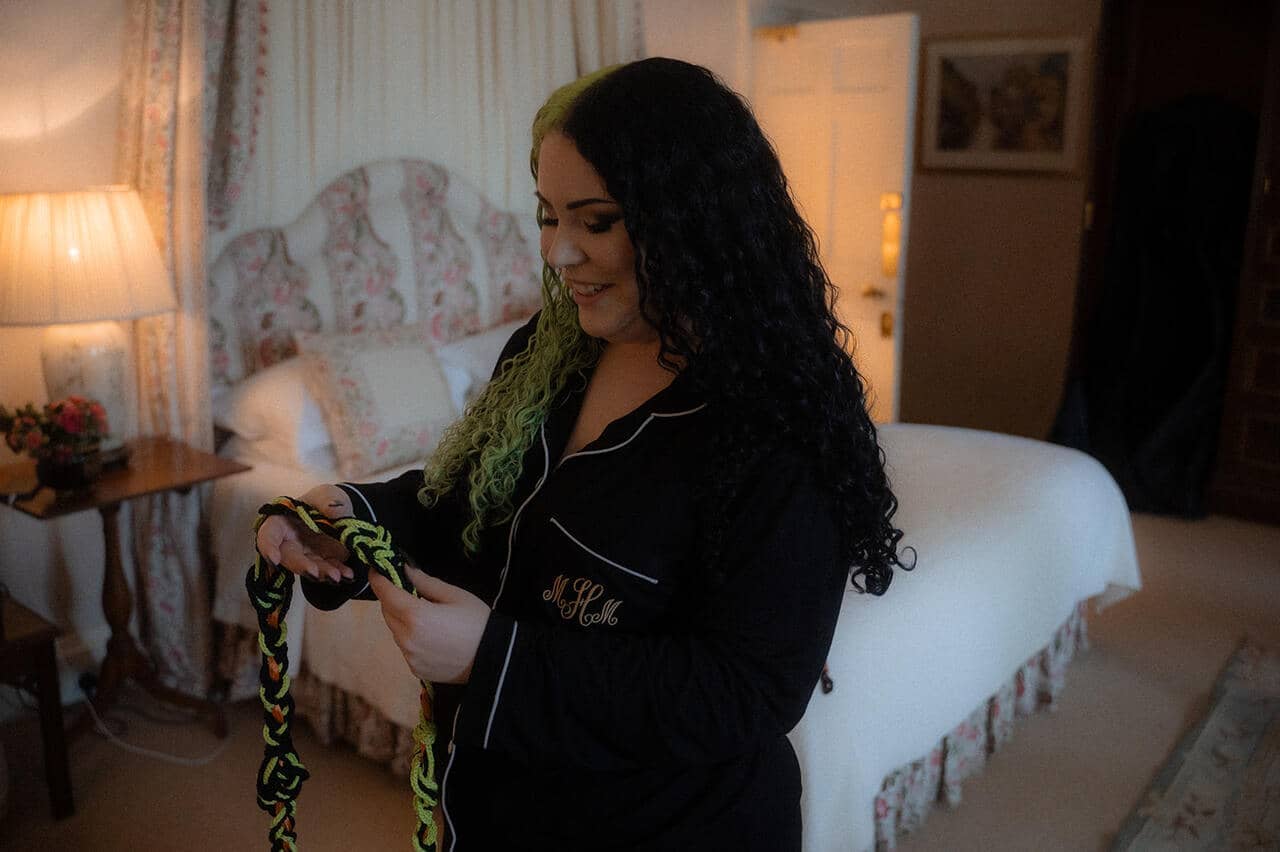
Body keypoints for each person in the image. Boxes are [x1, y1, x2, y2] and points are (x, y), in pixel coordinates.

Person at [256, 57, 910, 851]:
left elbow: (746, 691)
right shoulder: (549, 354)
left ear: (692, 221)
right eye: (546, 214)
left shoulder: (778, 426)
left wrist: (494, 661)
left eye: (595, 221)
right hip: (500, 810)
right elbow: (470, 510)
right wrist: (349, 524)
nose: (559, 254)